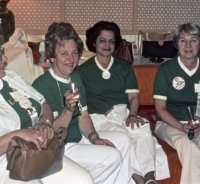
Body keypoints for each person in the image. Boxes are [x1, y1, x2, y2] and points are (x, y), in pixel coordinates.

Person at [32, 22, 133, 184]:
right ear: (52, 56)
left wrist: (94, 138)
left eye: (74, 53)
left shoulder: (76, 78)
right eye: (64, 53)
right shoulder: (41, 86)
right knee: (112, 157)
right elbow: (48, 134)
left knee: (123, 140)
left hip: (80, 137)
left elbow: (84, 117)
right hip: (61, 148)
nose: (71, 59)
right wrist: (68, 110)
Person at [77, 21, 170, 184]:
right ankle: (138, 178)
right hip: (98, 118)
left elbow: (133, 97)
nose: (107, 45)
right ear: (93, 42)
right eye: (102, 40)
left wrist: (133, 115)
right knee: (122, 136)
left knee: (143, 129)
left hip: (122, 113)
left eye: (111, 41)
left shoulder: (124, 67)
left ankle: (150, 177)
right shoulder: (83, 70)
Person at [0, 48, 94, 184]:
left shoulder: (11, 76)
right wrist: (19, 134)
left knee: (83, 180)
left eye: (3, 54)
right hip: (7, 159)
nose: (5, 59)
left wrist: (45, 123)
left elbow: (43, 103)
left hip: (37, 149)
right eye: (0, 56)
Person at [153, 22, 200, 184]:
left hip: (197, 124)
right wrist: (182, 127)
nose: (188, 45)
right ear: (176, 44)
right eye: (182, 40)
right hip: (169, 124)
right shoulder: (166, 70)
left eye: (193, 40)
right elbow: (160, 109)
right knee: (189, 146)